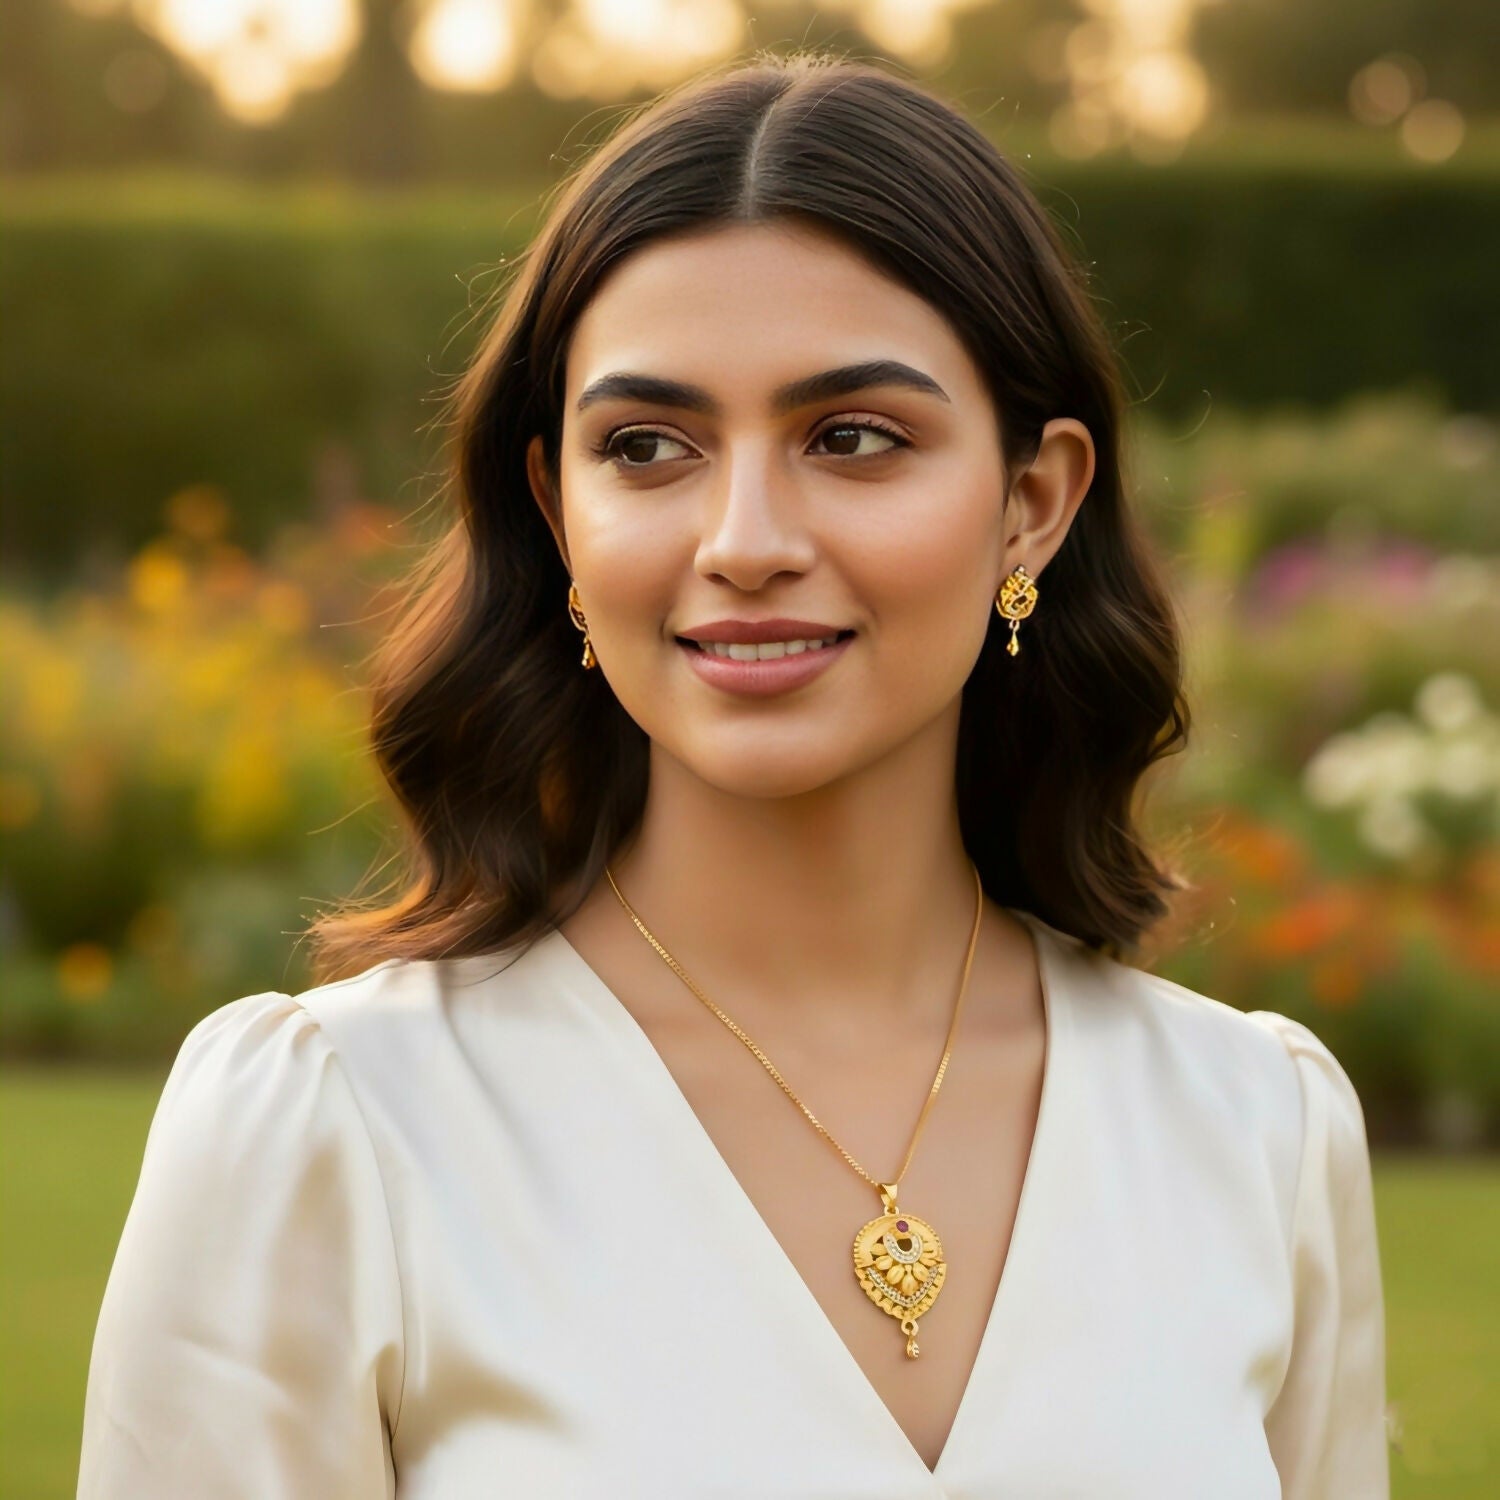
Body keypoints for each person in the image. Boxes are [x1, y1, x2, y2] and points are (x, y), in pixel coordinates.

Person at [77, 51, 1390, 1499]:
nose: (743, 538)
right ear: (557, 512)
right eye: (646, 448)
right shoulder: (335, 1132)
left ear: (1031, 505)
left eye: (852, 438)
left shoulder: (1252, 1133)